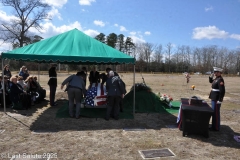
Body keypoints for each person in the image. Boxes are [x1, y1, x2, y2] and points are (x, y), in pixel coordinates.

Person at [209, 67, 225, 131]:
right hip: (213, 97)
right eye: (214, 72)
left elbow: (222, 91)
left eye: (215, 72)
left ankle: (216, 127)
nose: (214, 73)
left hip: (216, 98)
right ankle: (213, 126)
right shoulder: (216, 79)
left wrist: (220, 99)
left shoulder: (220, 80)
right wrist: (211, 76)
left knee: (215, 113)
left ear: (219, 73)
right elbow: (211, 81)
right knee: (213, 113)